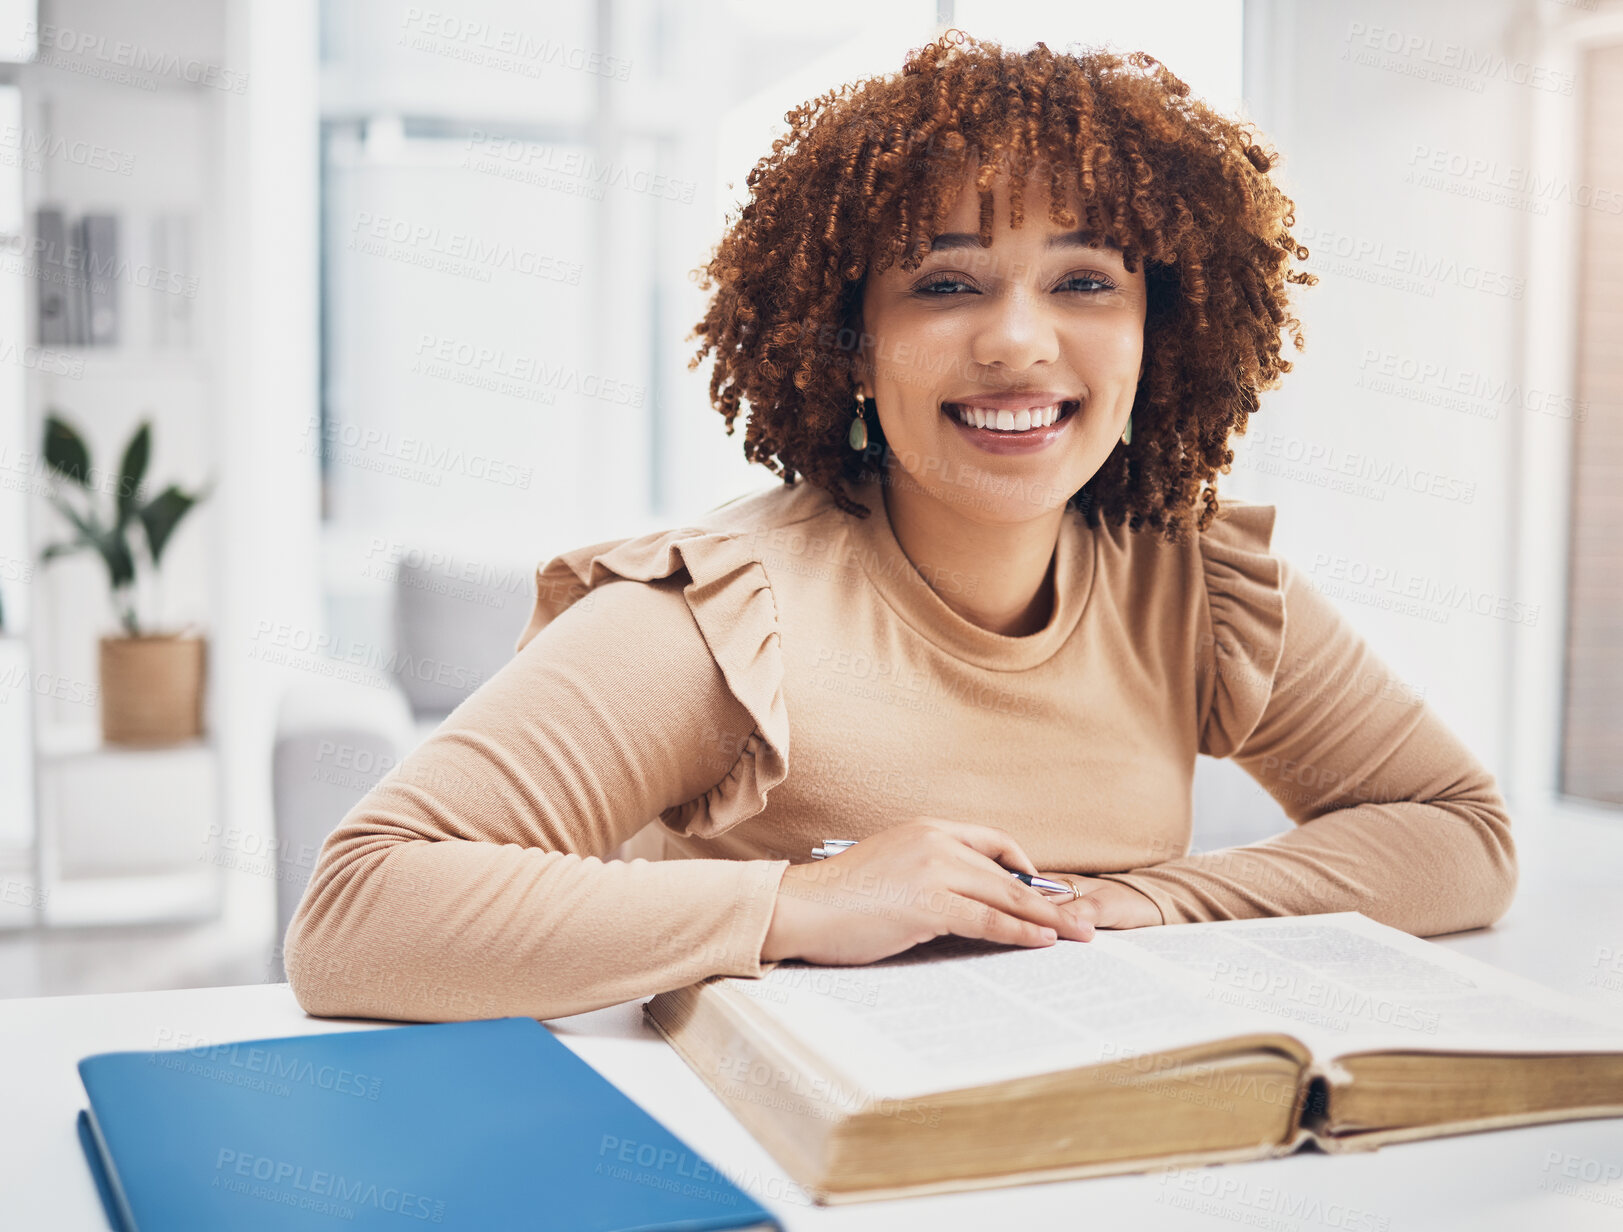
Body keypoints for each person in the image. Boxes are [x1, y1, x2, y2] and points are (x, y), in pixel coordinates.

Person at [284, 32, 1516, 1024]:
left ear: (1161, 335)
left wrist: (1149, 905)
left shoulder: (1194, 583)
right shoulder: (729, 616)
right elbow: (358, 915)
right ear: (855, 348)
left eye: (1085, 281)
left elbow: (1461, 835)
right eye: (946, 283)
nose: (1018, 340)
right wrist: (798, 904)